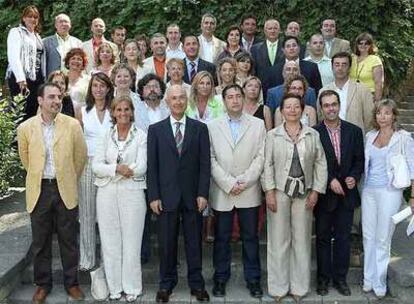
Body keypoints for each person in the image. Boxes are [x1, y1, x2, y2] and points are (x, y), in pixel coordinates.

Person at [17, 82, 87, 304]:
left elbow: (80, 157)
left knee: (69, 240)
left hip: (64, 188)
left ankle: (72, 284)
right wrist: (41, 177)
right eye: (51, 97)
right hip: (39, 190)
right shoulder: (25, 128)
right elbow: (26, 160)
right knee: (40, 242)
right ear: (40, 100)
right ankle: (42, 285)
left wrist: (66, 177)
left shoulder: (73, 125)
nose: (57, 100)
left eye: (59, 97)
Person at [147, 85, 211, 303]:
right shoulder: (155, 130)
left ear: (187, 100)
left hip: (193, 197)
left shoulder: (199, 129)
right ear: (167, 101)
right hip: (166, 197)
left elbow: (205, 164)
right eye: (173, 98)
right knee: (166, 244)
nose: (178, 101)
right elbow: (152, 166)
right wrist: (153, 196)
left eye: (181, 97)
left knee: (194, 243)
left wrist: (203, 193)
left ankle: (197, 284)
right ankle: (166, 285)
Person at [263, 93, 327, 303]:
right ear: (281, 111)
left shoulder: (312, 134)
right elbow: (267, 164)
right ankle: (278, 288)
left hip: (304, 192)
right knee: (278, 240)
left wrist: (316, 191)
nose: (292, 110)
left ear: (302, 110)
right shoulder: (272, 135)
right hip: (279, 192)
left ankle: (299, 287)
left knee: (301, 240)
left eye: (296, 107)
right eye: (288, 107)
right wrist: (269, 191)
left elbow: (320, 163)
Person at [208, 84, 265, 299]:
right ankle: (220, 279)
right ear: (224, 101)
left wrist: (244, 181)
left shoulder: (258, 125)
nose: (235, 100)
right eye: (230, 97)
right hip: (223, 192)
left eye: (238, 96)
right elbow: (210, 158)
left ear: (243, 98)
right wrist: (228, 183)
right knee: (222, 238)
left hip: (248, 190)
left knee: (250, 238)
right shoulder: (212, 126)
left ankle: (253, 280)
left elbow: (261, 156)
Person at [93, 95, 147, 301]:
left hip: (132, 192)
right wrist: (116, 168)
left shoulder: (141, 135)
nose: (123, 113)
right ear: (113, 113)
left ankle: (132, 287)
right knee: (109, 242)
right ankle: (114, 288)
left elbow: (142, 165)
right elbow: (96, 165)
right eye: (119, 110)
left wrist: (127, 171)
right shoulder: (105, 135)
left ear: (132, 112)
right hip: (106, 194)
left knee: (132, 242)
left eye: (126, 109)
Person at [314, 90, 365, 297]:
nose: (331, 108)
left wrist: (354, 176)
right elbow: (313, 163)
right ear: (321, 108)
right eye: (326, 105)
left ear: (339, 105)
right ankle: (323, 280)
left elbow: (359, 160)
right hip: (325, 195)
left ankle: (341, 279)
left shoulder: (354, 131)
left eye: (334, 104)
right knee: (323, 239)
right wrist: (328, 180)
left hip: (347, 194)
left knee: (343, 238)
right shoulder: (314, 132)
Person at [362, 99, 414, 299]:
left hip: (390, 192)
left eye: (386, 113)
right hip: (369, 191)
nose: (382, 116)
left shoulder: (403, 138)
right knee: (368, 235)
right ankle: (368, 278)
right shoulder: (370, 136)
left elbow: (412, 168)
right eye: (379, 113)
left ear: (394, 116)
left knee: (383, 237)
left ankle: (379, 280)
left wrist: (412, 197)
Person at [75, 72, 113, 272]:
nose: (98, 89)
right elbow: (77, 139)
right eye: (95, 86)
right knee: (87, 213)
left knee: (107, 215)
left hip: (108, 164)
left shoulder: (114, 110)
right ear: (91, 89)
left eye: (102, 86)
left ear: (108, 88)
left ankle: (108, 260)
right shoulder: (82, 110)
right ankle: (87, 258)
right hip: (88, 163)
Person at [6, 5, 46, 120]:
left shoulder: (38, 37)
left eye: (35, 17)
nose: (33, 20)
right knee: (19, 112)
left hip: (36, 79)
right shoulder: (16, 32)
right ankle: (17, 138)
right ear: (24, 18)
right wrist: (21, 78)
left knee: (33, 112)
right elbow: (13, 56)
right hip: (20, 78)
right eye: (30, 17)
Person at [319, 52, 374, 134]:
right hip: (330, 138)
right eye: (337, 65)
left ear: (349, 68)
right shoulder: (323, 91)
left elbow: (369, 117)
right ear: (332, 67)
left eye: (344, 65)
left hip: (355, 138)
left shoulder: (362, 90)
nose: (340, 68)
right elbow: (320, 116)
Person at [350, 32, 384, 102]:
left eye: (366, 43)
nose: (363, 45)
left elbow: (378, 83)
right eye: (360, 43)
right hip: (352, 95)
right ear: (357, 45)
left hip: (369, 95)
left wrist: (377, 101)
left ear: (370, 45)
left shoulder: (375, 60)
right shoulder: (351, 58)